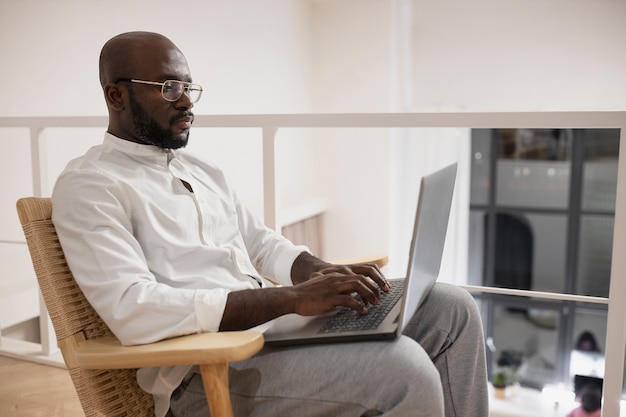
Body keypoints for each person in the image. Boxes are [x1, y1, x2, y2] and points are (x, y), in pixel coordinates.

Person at [51, 31, 488, 417]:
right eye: (168, 87)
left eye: (187, 86)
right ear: (116, 95)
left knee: (452, 308)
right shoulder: (91, 184)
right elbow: (133, 308)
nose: (184, 100)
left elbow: (260, 244)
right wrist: (292, 298)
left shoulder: (201, 170)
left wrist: (321, 271)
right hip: (208, 374)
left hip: (274, 336)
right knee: (406, 370)